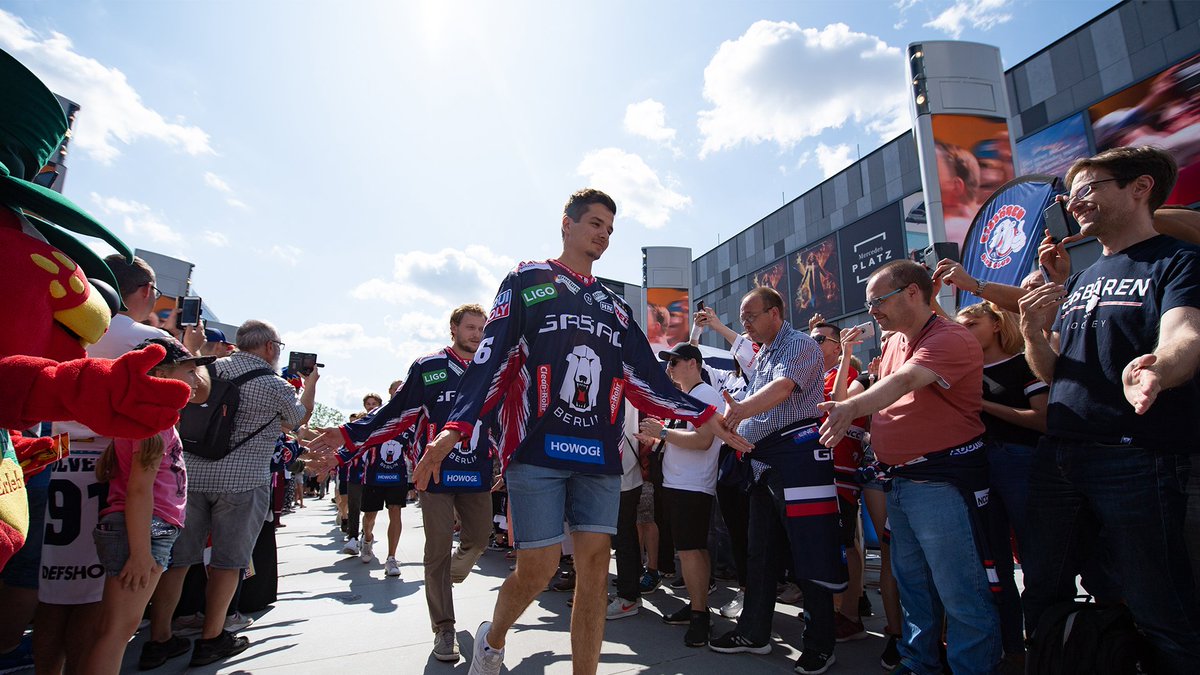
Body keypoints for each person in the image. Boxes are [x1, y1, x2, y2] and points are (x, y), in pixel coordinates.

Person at [409, 189, 750, 675]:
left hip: (599, 456)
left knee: (594, 571)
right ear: (566, 225)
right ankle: (495, 636)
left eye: (610, 229)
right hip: (536, 452)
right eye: (595, 223)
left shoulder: (615, 307)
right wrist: (453, 431)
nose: (603, 235)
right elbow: (492, 359)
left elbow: (646, 379)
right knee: (540, 567)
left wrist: (701, 415)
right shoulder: (527, 279)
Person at [1017, 146, 1200, 672]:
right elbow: (1053, 373)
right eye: (1070, 195)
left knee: (1162, 608)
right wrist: (1032, 332)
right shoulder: (1081, 277)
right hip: (1059, 459)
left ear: (1140, 188)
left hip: (1136, 458)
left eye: (1088, 189)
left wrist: (1158, 368)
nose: (1074, 204)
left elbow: (1184, 334)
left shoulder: (1178, 261)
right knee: (1043, 595)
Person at [821, 260, 1001, 675]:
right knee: (915, 589)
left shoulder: (950, 338)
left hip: (941, 483)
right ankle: (920, 663)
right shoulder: (894, 342)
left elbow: (902, 384)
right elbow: (879, 387)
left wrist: (848, 408)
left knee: (961, 593)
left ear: (913, 293)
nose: (872, 312)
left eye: (878, 301)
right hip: (900, 483)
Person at [310, 305, 495, 662]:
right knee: (437, 549)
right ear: (453, 329)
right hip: (433, 473)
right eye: (470, 327)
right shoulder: (428, 367)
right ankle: (444, 627)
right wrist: (349, 439)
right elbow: (393, 415)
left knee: (479, 538)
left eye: (481, 328)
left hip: (477, 472)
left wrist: (502, 459)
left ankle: (450, 572)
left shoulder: (491, 368)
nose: (476, 334)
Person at [150, 320, 317, 667]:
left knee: (176, 562)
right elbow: (298, 420)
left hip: (190, 480)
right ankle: (212, 638)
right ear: (270, 348)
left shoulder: (204, 371)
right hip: (243, 482)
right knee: (229, 562)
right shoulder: (275, 385)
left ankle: (159, 638)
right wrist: (310, 385)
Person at [708, 287, 843, 675]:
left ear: (776, 312)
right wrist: (733, 428)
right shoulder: (761, 352)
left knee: (810, 552)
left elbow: (782, 389)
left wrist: (739, 413)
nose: (745, 324)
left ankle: (821, 644)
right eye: (742, 317)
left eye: (751, 316)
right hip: (762, 462)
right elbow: (751, 401)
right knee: (759, 552)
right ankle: (754, 633)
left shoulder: (801, 344)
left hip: (799, 458)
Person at [85, 337, 211, 673]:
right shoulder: (151, 422)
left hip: (146, 530)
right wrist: (140, 554)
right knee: (117, 632)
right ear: (163, 374)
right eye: (188, 371)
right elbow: (139, 491)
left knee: (114, 628)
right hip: (144, 533)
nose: (195, 379)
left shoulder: (151, 416)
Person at [956, 301, 1048, 666]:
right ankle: (1012, 648)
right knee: (992, 565)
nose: (965, 331)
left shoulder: (1023, 362)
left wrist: (985, 405)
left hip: (1021, 463)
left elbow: (1043, 419)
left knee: (1036, 558)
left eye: (973, 323)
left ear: (996, 324)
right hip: (977, 468)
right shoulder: (963, 369)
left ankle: (1045, 644)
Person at [634, 343, 726, 647]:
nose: (669, 368)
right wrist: (658, 437)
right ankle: (696, 606)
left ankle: (700, 615)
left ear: (693, 363)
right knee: (689, 550)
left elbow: (702, 441)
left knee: (691, 550)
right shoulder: (687, 398)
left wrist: (662, 433)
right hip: (679, 484)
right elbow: (680, 439)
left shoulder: (706, 395)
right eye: (669, 363)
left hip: (693, 485)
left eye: (674, 362)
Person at [808, 322, 871, 644]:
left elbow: (838, 401)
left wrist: (847, 353)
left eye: (819, 339)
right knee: (824, 545)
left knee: (845, 544)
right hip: (815, 473)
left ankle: (850, 614)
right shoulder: (811, 377)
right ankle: (835, 609)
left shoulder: (847, 376)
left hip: (841, 472)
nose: (812, 343)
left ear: (836, 345)